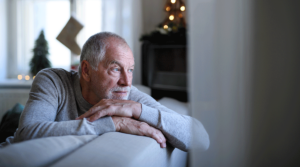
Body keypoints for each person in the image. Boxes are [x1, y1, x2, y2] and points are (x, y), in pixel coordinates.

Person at [1, 32, 209, 151]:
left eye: (130, 70)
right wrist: (115, 123)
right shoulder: (53, 80)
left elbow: (201, 139)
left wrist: (138, 110)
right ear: (86, 70)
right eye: (116, 69)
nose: (126, 81)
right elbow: (26, 134)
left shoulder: (129, 98)